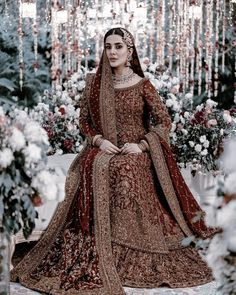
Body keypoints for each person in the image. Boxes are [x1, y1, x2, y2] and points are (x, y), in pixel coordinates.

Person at [11, 27, 217, 295]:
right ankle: (101, 246)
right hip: (102, 149)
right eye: (108, 47)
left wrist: (143, 145)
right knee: (99, 166)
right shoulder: (94, 84)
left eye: (118, 46)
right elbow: (84, 122)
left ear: (130, 52)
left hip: (137, 152)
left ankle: (129, 246)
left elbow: (163, 121)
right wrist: (98, 141)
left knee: (126, 167)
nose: (112, 52)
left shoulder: (143, 85)